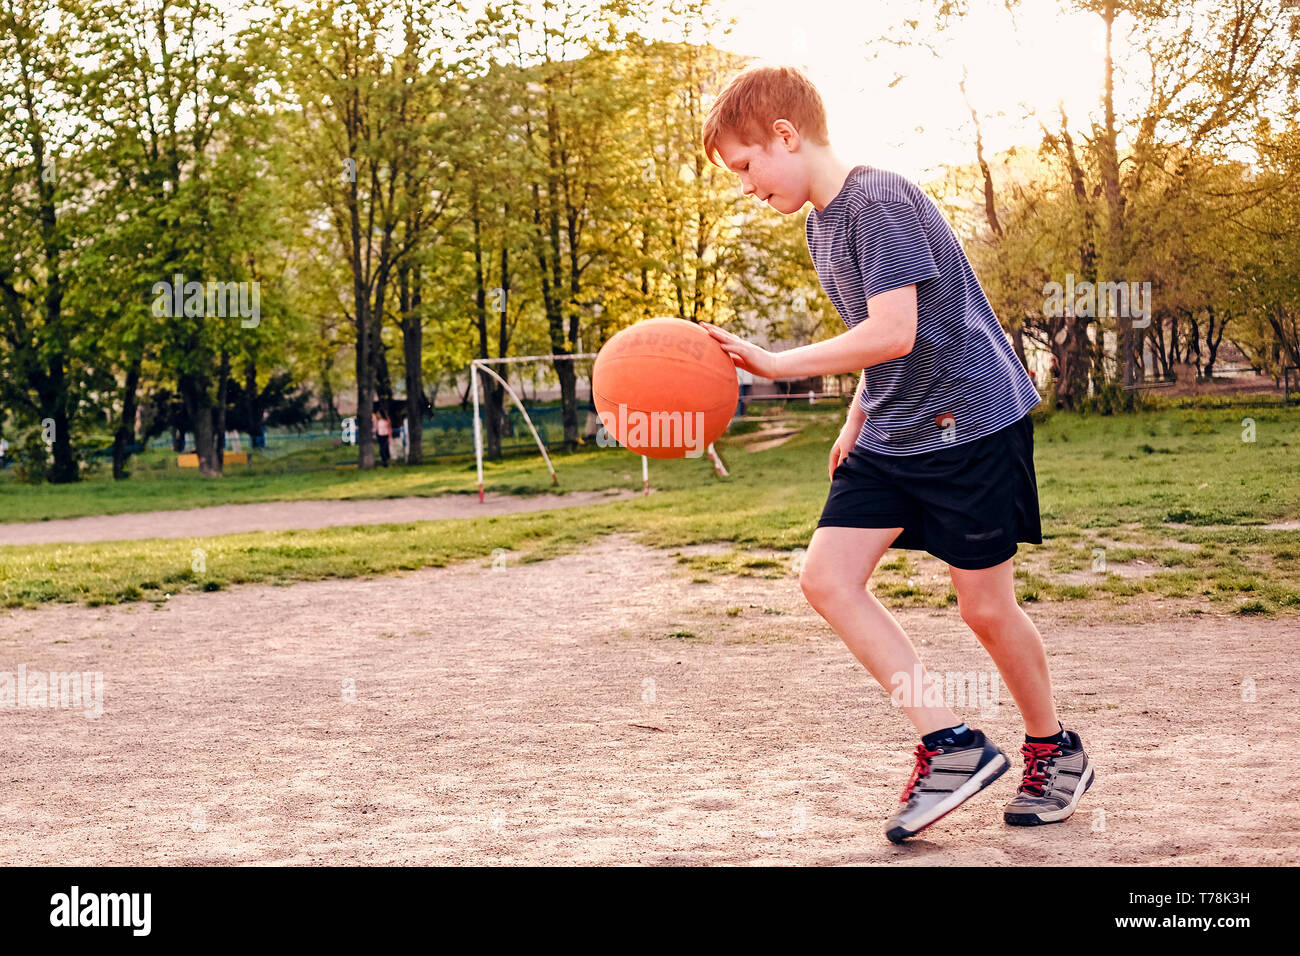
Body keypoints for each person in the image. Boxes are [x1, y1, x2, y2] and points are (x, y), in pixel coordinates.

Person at [700, 64, 1092, 843]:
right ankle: (949, 743)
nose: (745, 187)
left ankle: (1055, 750)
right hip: (894, 429)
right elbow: (880, 343)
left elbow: (896, 330)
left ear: (785, 135)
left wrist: (775, 364)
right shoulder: (820, 224)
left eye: (746, 167)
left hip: (971, 422)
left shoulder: (877, 201)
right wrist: (856, 416)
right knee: (827, 578)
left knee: (984, 608)